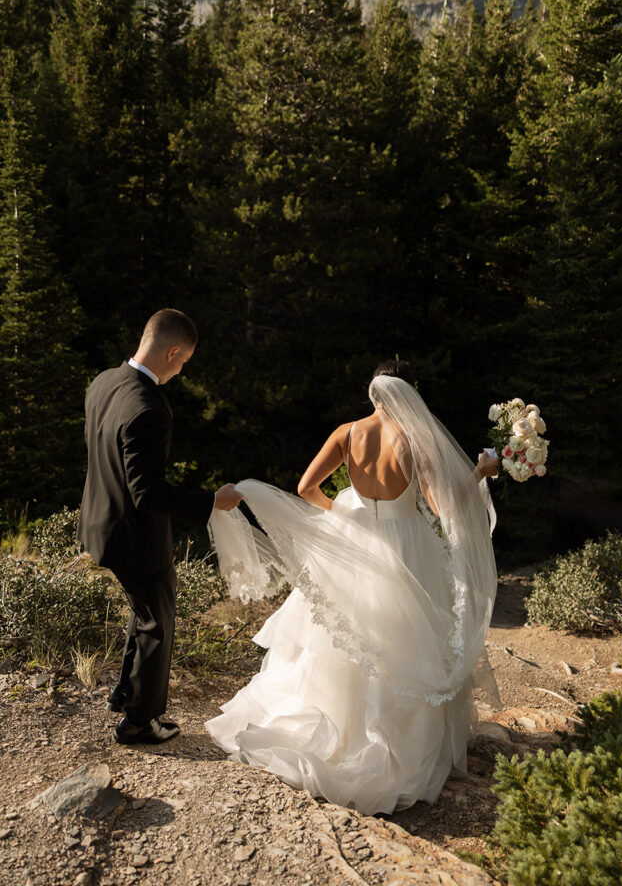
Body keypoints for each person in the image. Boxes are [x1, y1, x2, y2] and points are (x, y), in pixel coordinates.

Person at [204, 360, 500, 814]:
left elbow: (306, 487)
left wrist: (340, 514)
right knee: (404, 637)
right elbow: (443, 510)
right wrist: (480, 474)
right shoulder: (414, 441)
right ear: (406, 394)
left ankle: (333, 727)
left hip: (353, 532)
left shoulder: (347, 432)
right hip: (405, 542)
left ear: (373, 393)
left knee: (337, 637)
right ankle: (389, 740)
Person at [78, 309, 241, 745]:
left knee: (142, 610)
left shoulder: (104, 382)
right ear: (171, 351)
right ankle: (139, 721)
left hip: (99, 523)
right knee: (156, 622)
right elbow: (147, 494)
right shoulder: (149, 407)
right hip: (134, 539)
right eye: (183, 361)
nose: (181, 370)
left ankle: (125, 692)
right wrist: (212, 502)